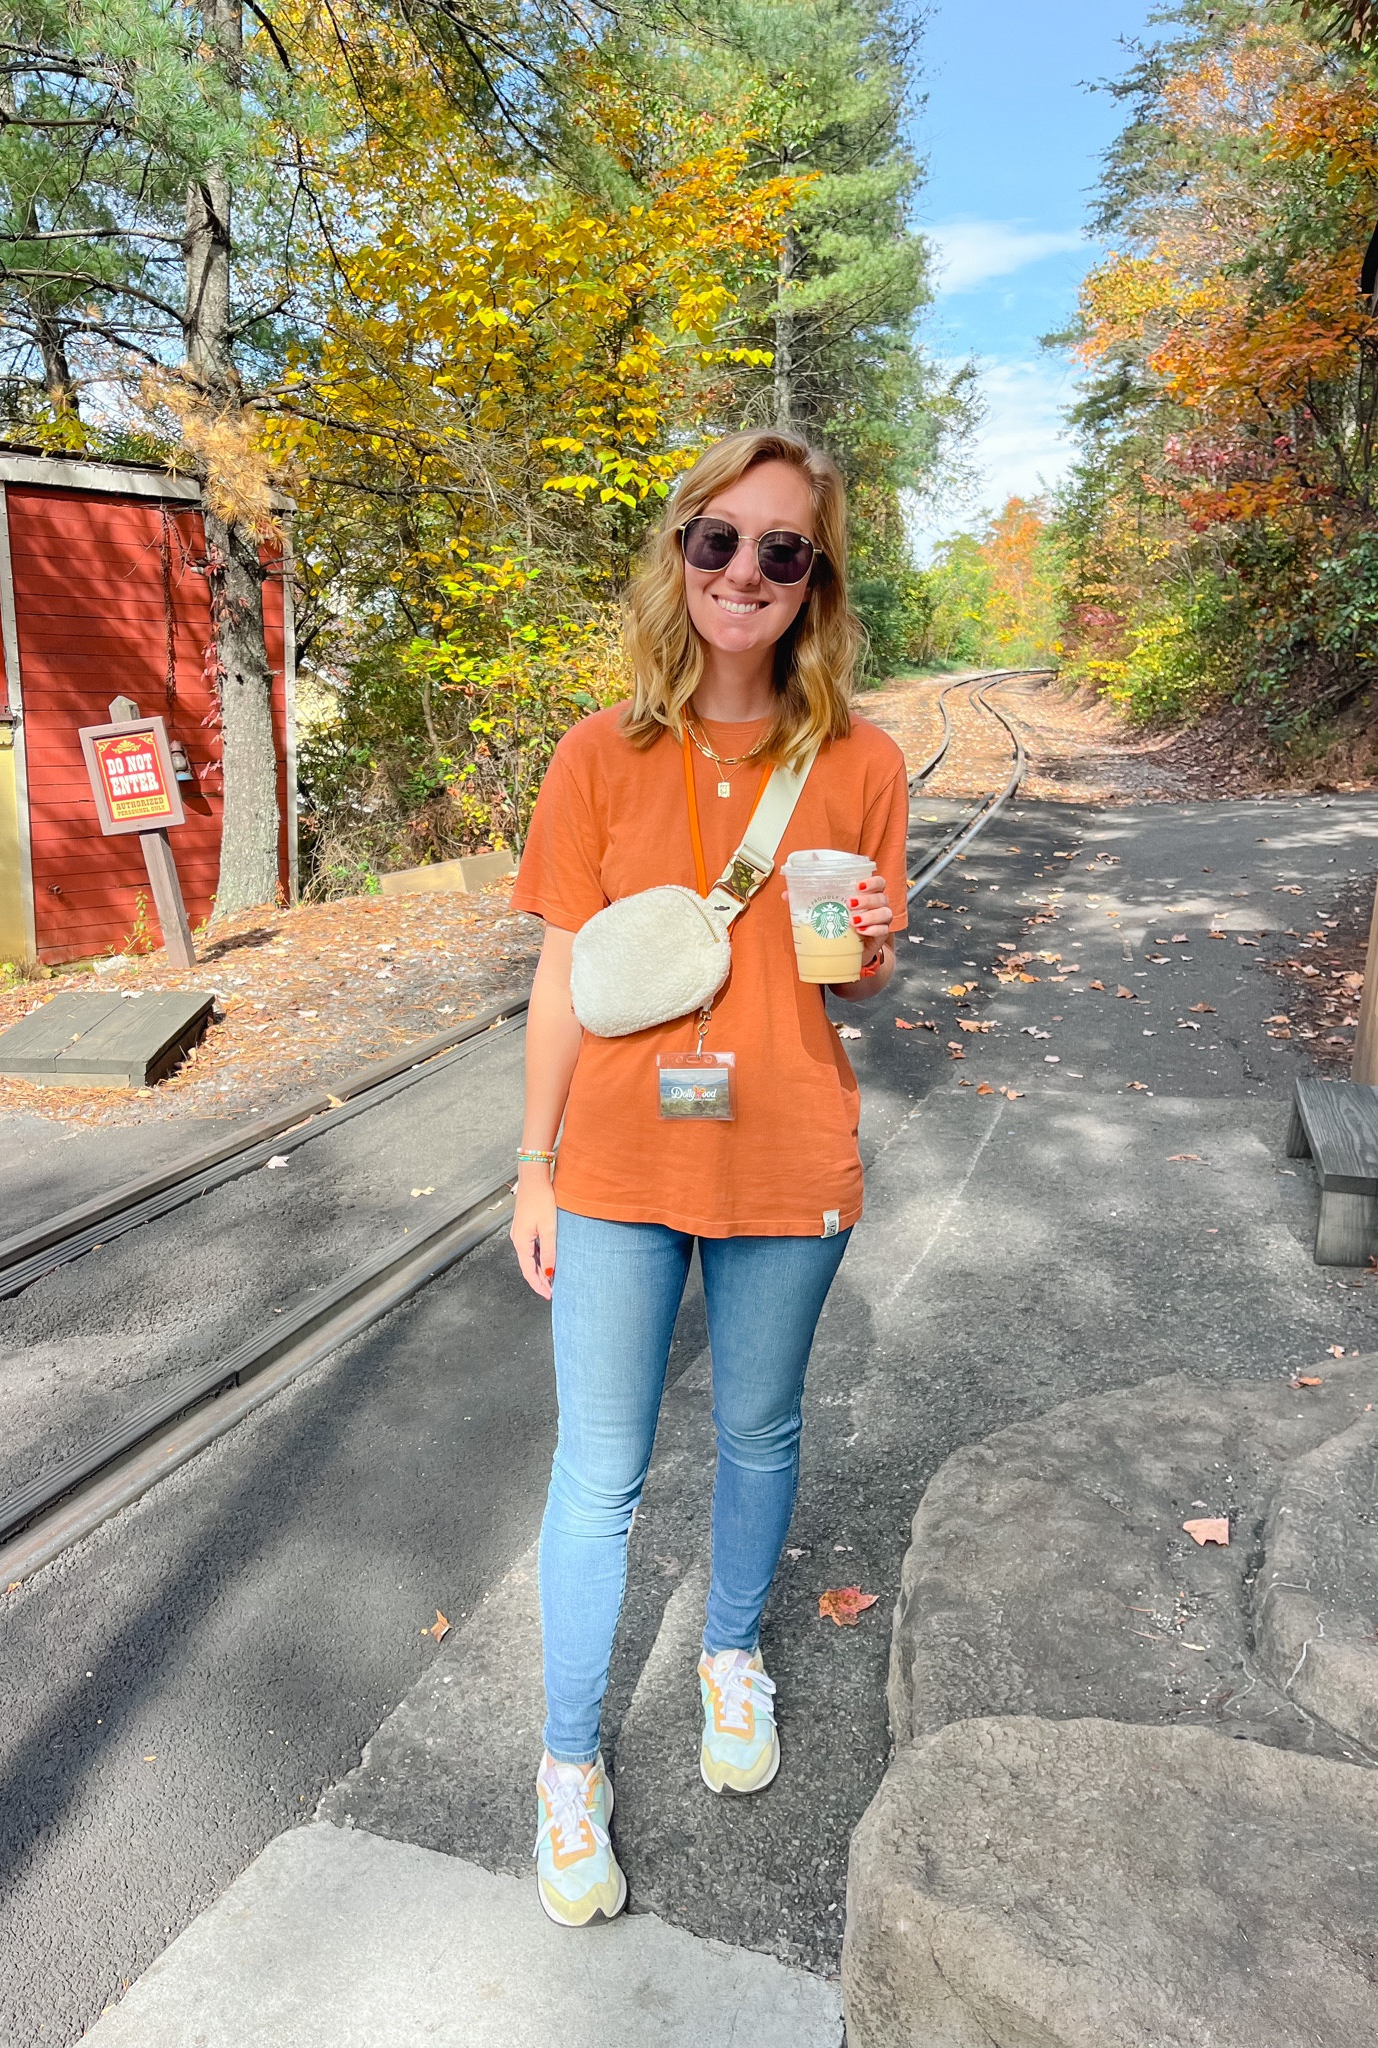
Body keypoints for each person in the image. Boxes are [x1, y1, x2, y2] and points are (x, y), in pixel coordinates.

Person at [508, 427, 908, 1927]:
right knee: (596, 1473)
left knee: (758, 1427)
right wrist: (529, 1167)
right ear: (680, 559)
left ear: (816, 583)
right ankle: (565, 1765)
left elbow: (856, 981)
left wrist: (865, 944)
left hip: (787, 1145)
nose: (746, 572)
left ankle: (728, 1650)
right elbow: (558, 978)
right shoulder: (597, 755)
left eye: (782, 550)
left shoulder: (860, 762)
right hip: (612, 1158)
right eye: (719, 541)